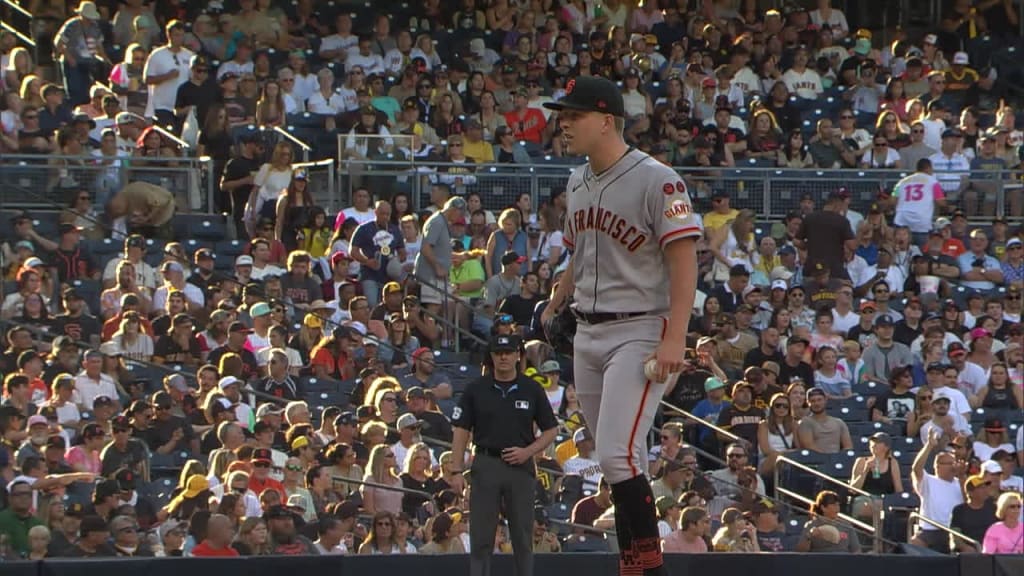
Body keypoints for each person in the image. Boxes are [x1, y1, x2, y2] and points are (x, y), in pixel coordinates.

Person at [540, 75, 700, 576]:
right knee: (624, 457)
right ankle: (635, 562)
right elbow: (580, 251)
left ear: (606, 120)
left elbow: (684, 259)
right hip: (587, 331)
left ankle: (648, 567)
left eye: (574, 115)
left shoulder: (658, 179)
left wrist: (675, 336)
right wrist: (556, 298)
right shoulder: (576, 180)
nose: (563, 124)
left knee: (615, 455)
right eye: (561, 115)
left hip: (640, 330)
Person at [450, 334, 559, 576]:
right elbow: (461, 430)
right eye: (499, 353)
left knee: (522, 536)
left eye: (508, 352)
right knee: (481, 536)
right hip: (486, 462)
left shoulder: (532, 388)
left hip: (520, 467)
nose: (503, 357)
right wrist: (456, 469)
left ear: (517, 355)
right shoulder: (475, 389)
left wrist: (528, 452)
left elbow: (552, 429)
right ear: (491, 356)